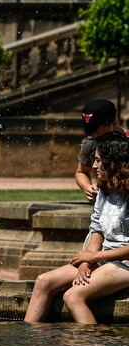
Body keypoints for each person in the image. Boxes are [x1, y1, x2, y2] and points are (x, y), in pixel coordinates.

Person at [25, 132, 129, 324]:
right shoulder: (104, 192)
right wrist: (84, 263)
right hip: (105, 258)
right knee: (43, 282)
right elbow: (97, 232)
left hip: (125, 263)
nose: (94, 166)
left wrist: (94, 258)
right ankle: (32, 344)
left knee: (73, 296)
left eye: (99, 160)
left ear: (115, 162)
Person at [75, 100, 124, 203]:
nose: (94, 138)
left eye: (99, 134)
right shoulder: (90, 143)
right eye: (92, 135)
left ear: (114, 124)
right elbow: (81, 172)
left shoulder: (126, 143)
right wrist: (87, 187)